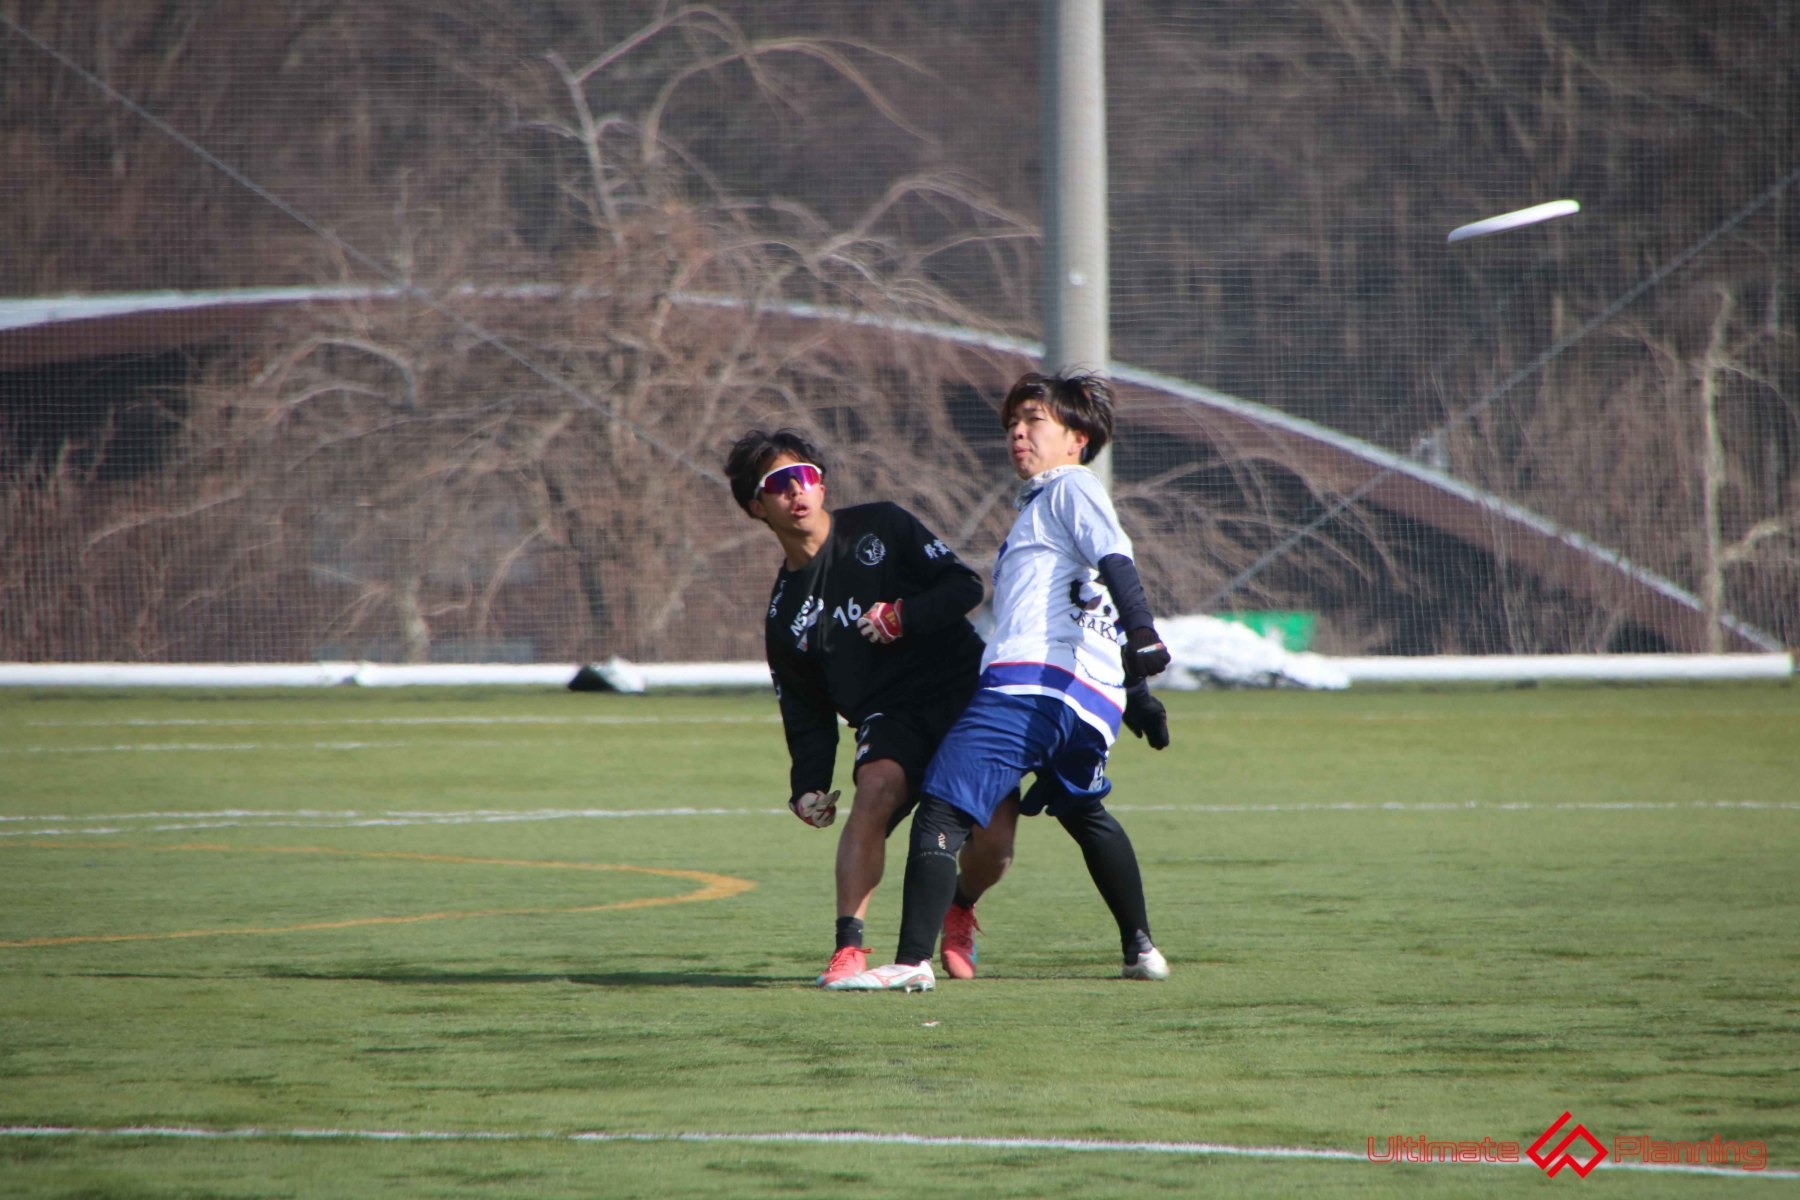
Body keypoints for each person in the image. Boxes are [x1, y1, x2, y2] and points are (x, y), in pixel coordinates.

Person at [827, 370, 1174, 992]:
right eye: (1012, 423)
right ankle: (1141, 948)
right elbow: (1093, 600)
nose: (1018, 432)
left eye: (1034, 420)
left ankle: (911, 961)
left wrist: (1146, 632)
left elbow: (1117, 561)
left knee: (944, 803)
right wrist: (1137, 693)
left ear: (1078, 437)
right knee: (1086, 812)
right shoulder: (1054, 506)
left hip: (1027, 688)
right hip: (1088, 703)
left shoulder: (1070, 486)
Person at [725, 428, 1019, 987]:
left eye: (805, 476)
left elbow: (964, 587)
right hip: (890, 715)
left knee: (996, 843)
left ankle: (959, 905)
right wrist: (807, 785)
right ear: (756, 506)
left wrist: (903, 616)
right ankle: (848, 949)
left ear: (821, 484)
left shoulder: (882, 525)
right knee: (876, 787)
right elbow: (805, 711)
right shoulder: (784, 615)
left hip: (964, 696)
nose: (797, 490)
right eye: (779, 484)